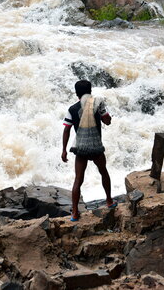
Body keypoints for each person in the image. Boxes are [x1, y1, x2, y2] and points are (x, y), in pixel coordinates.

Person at [61, 80, 117, 222]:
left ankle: (74, 212)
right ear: (90, 91)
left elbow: (66, 130)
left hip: (80, 149)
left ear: (76, 93)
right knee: (103, 172)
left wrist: (64, 150)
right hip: (96, 148)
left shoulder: (72, 109)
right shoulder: (97, 104)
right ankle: (109, 201)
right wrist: (107, 117)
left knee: (78, 180)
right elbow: (107, 121)